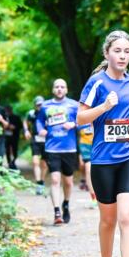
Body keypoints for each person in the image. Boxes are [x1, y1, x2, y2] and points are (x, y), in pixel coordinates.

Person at [77, 30, 129, 257]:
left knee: (127, 217)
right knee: (108, 221)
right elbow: (80, 118)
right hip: (103, 160)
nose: (122, 56)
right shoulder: (97, 82)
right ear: (107, 53)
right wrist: (104, 107)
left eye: (127, 51)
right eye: (117, 51)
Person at [37, 79, 80, 225]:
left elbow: (83, 121)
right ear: (53, 90)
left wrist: (73, 124)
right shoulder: (45, 106)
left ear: (66, 90)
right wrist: (40, 129)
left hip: (69, 148)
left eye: (62, 87)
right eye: (57, 87)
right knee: (55, 180)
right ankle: (57, 212)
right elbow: (39, 121)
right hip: (52, 148)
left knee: (68, 182)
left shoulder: (74, 105)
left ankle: (65, 204)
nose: (59, 89)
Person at [24, 96, 47, 195]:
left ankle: (42, 181)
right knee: (35, 161)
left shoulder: (48, 113)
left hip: (46, 140)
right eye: (38, 105)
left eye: (41, 105)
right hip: (35, 139)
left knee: (44, 164)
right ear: (35, 105)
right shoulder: (31, 113)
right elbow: (25, 121)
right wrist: (26, 130)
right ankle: (38, 183)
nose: (39, 107)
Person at [77, 121, 98, 208]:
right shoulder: (80, 113)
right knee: (88, 169)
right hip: (86, 146)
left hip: (100, 144)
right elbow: (77, 128)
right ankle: (94, 198)